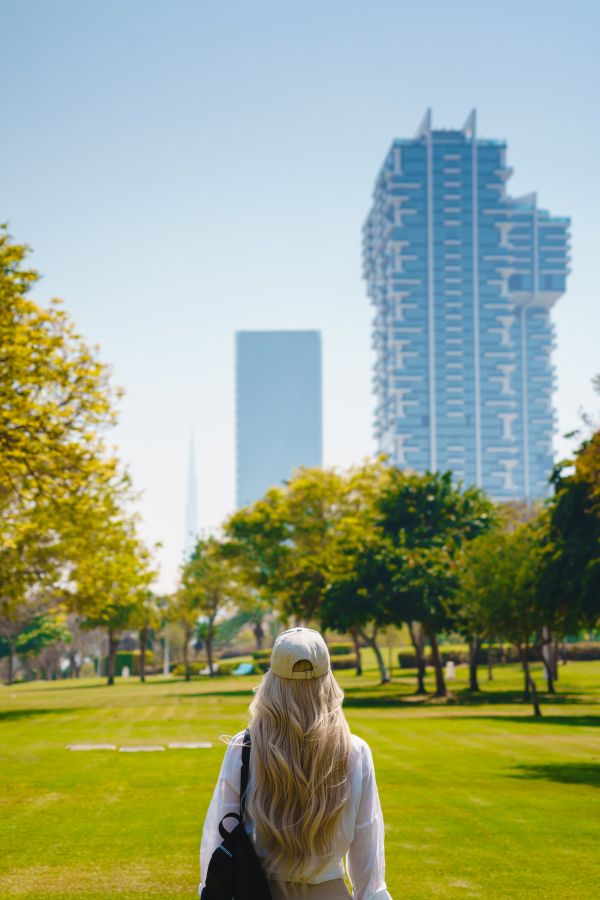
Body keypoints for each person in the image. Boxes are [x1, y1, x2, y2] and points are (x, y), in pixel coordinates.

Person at [199, 627, 392, 900]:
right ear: (328, 681)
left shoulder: (244, 748)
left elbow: (219, 837)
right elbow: (368, 859)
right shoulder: (355, 751)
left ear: (272, 681)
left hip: (258, 891)